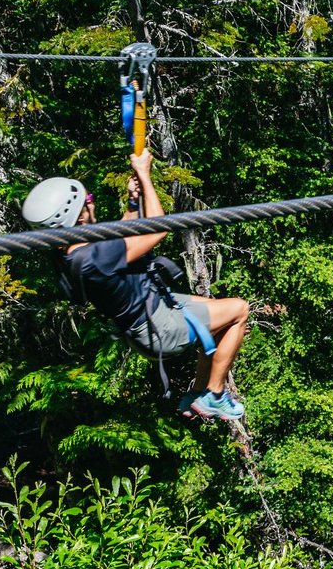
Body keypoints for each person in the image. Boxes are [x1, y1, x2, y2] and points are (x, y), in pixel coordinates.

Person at [21, 149, 250, 421]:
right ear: (78, 216)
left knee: (215, 314)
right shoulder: (94, 257)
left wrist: (132, 203)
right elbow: (159, 227)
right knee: (239, 310)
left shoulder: (70, 254)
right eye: (88, 200)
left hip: (149, 316)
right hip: (159, 325)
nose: (92, 203)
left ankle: (196, 395)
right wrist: (144, 172)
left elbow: (121, 236)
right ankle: (214, 395)